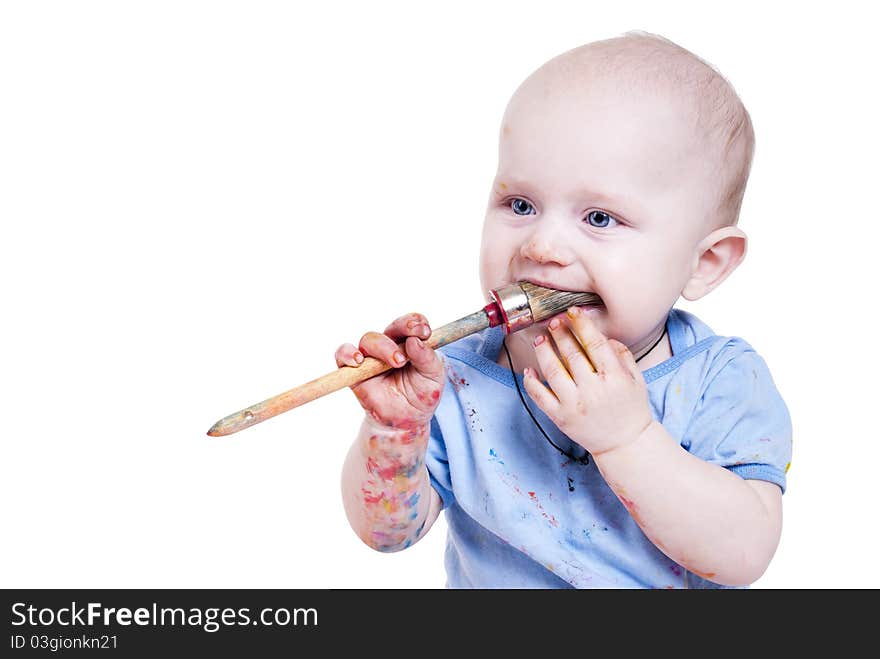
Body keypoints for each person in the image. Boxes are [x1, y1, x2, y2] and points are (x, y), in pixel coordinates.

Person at [336, 31, 792, 588]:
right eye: (520, 205)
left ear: (705, 262)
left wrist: (627, 439)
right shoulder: (456, 376)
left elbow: (744, 557)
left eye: (600, 218)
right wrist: (396, 430)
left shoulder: (717, 381)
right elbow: (386, 535)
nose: (541, 247)